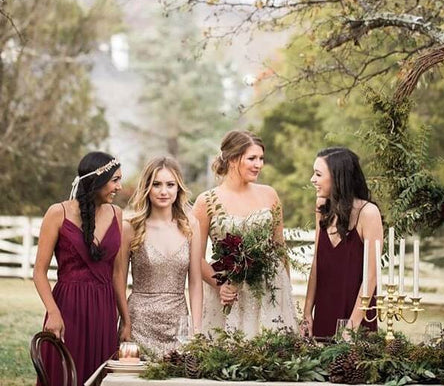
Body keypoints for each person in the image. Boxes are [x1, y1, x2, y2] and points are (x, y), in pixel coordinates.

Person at [193, 130, 297, 337]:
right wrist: (220, 285)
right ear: (232, 159)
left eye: (261, 159)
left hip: (268, 290)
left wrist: (285, 293)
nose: (259, 164)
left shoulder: (269, 195)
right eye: (252, 158)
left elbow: (279, 247)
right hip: (230, 291)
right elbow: (196, 257)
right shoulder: (207, 201)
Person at [33, 151, 123, 386]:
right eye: (115, 180)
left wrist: (126, 319)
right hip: (67, 308)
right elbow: (39, 271)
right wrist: (53, 313)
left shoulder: (117, 214)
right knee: (62, 376)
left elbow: (116, 274)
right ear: (97, 181)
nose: (119, 187)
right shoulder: (57, 213)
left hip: (104, 309)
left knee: (99, 377)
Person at [115, 156, 202, 357]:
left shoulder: (191, 226)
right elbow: (118, 280)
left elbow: (196, 282)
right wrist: (125, 321)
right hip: (138, 323)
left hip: (178, 325)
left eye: (170, 184)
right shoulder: (130, 228)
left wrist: (195, 328)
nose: (164, 191)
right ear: (147, 187)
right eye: (156, 184)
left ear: (178, 188)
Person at [302, 147, 383, 338]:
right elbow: (317, 263)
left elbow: (370, 277)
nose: (312, 179)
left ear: (338, 177)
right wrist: (307, 313)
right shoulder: (322, 206)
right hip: (325, 307)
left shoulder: (369, 213)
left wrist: (351, 328)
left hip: (356, 312)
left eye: (318, 174)